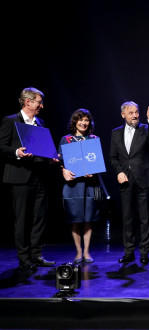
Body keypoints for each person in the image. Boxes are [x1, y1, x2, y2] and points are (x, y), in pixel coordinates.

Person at [0, 87, 57, 271]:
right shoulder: (10, 121)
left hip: (40, 177)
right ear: (28, 102)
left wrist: (51, 156)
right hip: (20, 177)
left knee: (39, 218)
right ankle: (23, 257)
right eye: (39, 102)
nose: (42, 105)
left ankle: (36, 254)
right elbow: (2, 147)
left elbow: (42, 148)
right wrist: (16, 152)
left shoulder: (40, 122)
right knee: (22, 219)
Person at [110, 101, 149, 264]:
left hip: (144, 178)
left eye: (136, 112)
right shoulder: (116, 133)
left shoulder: (145, 129)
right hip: (126, 180)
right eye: (131, 113)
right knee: (128, 217)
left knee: (145, 218)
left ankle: (145, 252)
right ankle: (129, 252)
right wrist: (119, 172)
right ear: (123, 115)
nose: (135, 115)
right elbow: (113, 157)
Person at [58, 109, 101, 264]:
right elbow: (61, 162)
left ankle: (87, 252)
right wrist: (64, 169)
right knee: (75, 219)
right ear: (75, 122)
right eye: (80, 120)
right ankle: (78, 252)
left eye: (86, 120)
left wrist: (93, 170)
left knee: (88, 219)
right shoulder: (66, 139)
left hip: (89, 184)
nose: (83, 123)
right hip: (73, 184)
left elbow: (96, 161)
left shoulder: (93, 139)